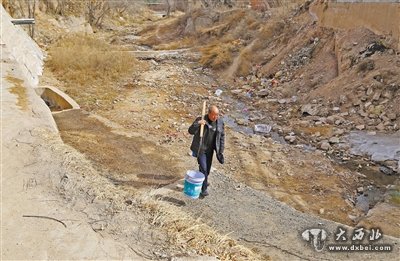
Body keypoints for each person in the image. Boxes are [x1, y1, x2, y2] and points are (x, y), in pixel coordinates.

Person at [188, 105, 225, 197]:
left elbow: (222, 136)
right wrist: (198, 123)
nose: (215, 117)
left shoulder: (219, 122)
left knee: (207, 169)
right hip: (201, 149)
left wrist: (220, 149)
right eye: (213, 115)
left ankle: (204, 180)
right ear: (208, 113)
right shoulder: (201, 119)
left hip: (210, 150)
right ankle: (203, 189)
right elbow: (190, 131)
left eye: (217, 115)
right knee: (204, 169)